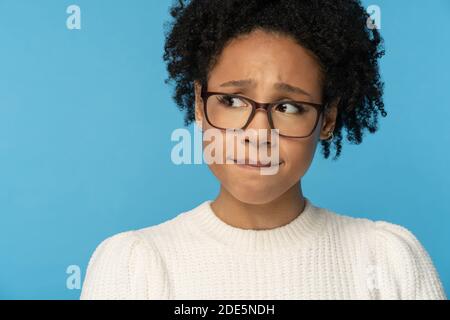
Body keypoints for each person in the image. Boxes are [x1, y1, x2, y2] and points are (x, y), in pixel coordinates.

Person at [80, 0, 446, 299]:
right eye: (232, 100)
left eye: (288, 107)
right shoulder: (134, 267)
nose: (258, 134)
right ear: (198, 103)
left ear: (328, 118)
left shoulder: (390, 261)